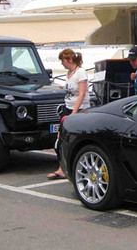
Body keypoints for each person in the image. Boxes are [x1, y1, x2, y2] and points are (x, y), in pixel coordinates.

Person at [47, 48, 90, 180]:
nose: (62, 64)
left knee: (74, 137)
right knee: (60, 137)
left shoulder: (80, 73)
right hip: (67, 106)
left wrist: (74, 112)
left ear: (70, 60)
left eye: (63, 61)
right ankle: (62, 168)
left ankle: (70, 167)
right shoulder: (69, 73)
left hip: (79, 109)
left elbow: (82, 93)